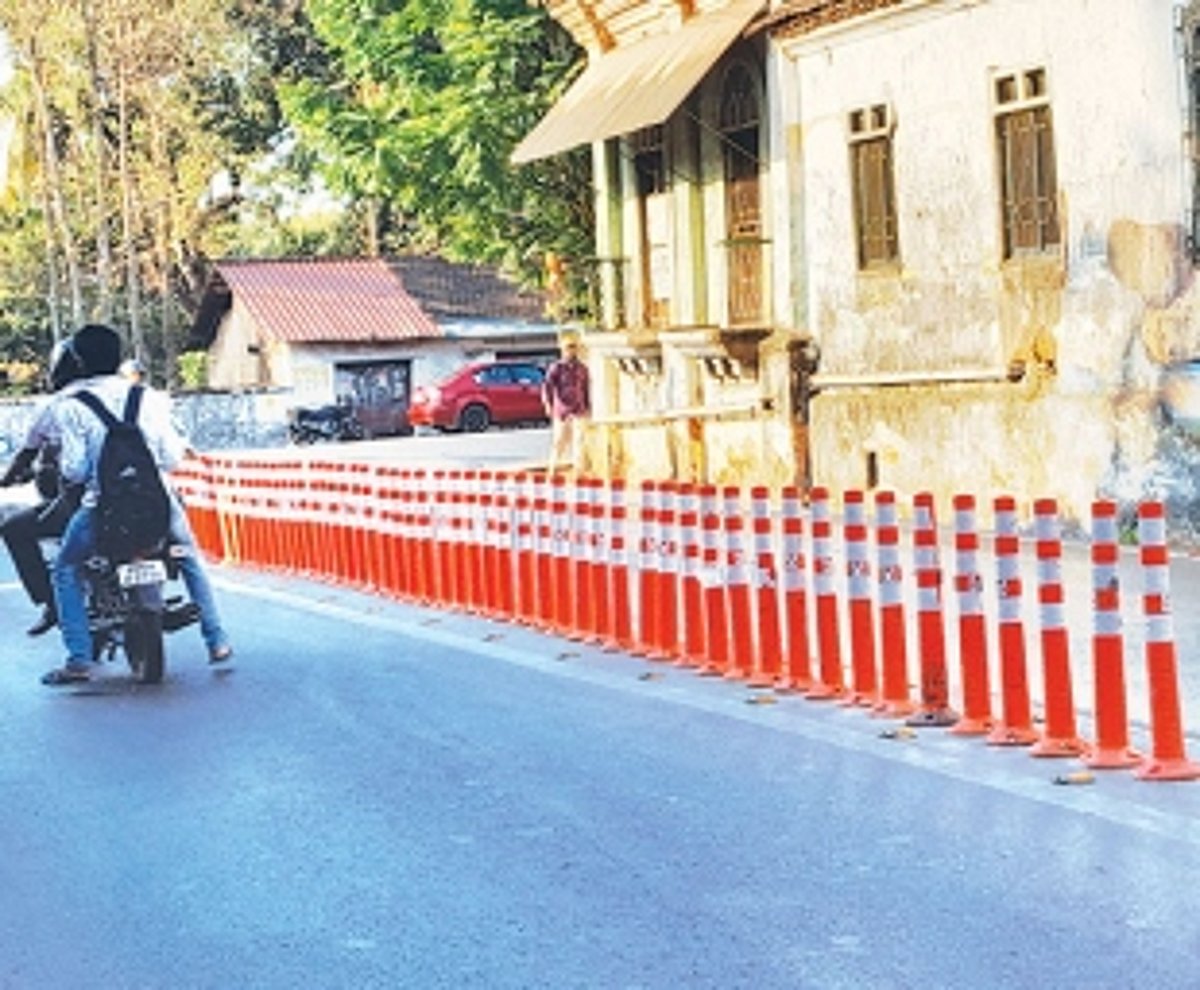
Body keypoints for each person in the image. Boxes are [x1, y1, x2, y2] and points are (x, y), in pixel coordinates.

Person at [40, 324, 233, 686]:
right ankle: (217, 639)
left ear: (78, 362)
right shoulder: (149, 398)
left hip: (102, 508)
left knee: (65, 568)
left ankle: (79, 659)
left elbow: (74, 470)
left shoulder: (72, 407)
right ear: (119, 357)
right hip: (159, 503)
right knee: (189, 557)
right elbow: (172, 457)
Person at [0, 340, 88, 636]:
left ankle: (52, 603)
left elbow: (27, 454)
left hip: (84, 500)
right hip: (143, 497)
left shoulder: (56, 406)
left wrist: (7, 479)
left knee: (14, 528)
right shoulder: (131, 396)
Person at [542, 334, 590, 475]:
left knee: (579, 442)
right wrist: (548, 405)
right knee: (559, 441)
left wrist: (588, 407)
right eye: (569, 347)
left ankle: (578, 471)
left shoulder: (582, 368)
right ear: (563, 349)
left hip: (579, 409)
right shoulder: (557, 368)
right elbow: (547, 387)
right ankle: (553, 469)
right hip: (562, 411)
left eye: (574, 347)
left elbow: (585, 389)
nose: (572, 350)